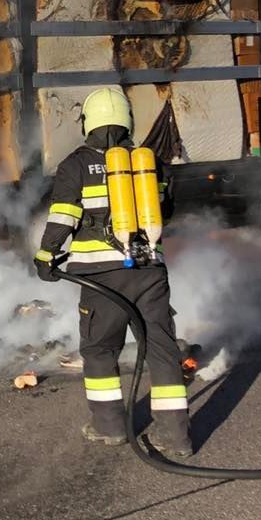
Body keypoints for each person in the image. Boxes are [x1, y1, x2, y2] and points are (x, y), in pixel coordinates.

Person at [33, 86, 193, 458]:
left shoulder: (75, 164)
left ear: (88, 123)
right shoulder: (148, 159)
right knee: (162, 350)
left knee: (100, 348)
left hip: (100, 278)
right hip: (150, 271)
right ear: (127, 121)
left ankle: (109, 427)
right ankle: (176, 437)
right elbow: (165, 211)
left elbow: (63, 217)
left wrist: (46, 257)